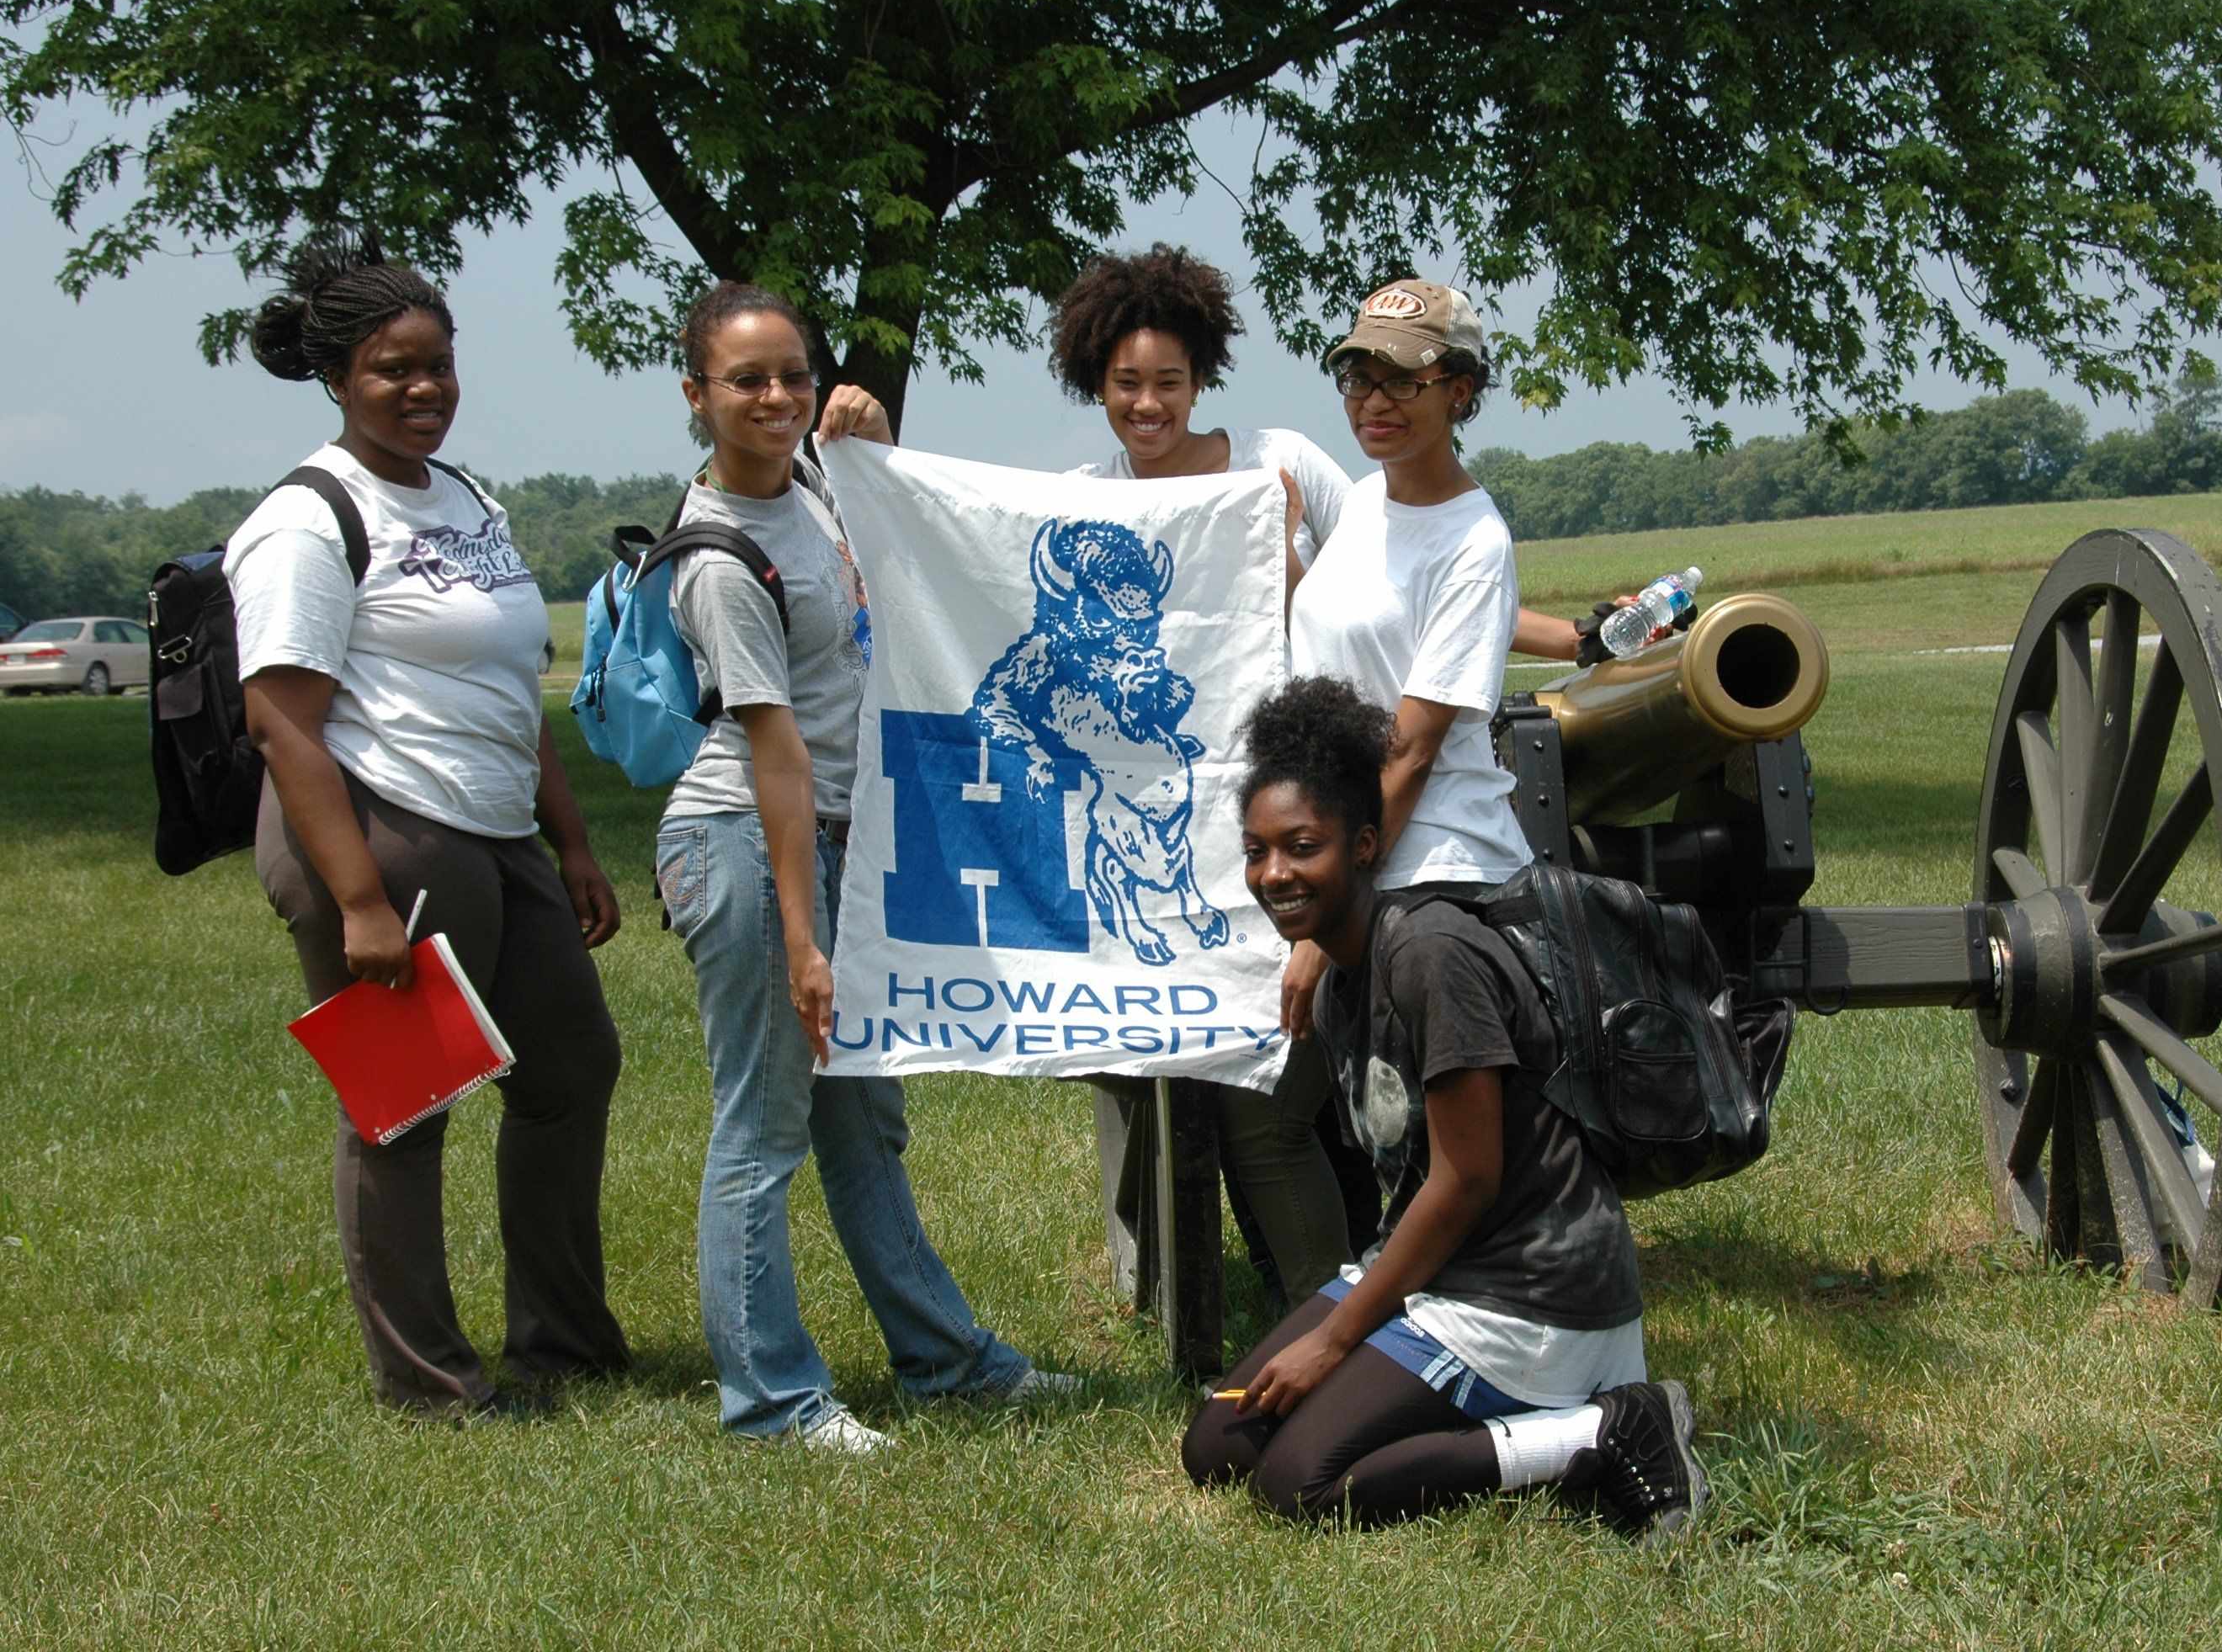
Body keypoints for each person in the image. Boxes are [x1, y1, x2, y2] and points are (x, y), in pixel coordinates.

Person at [656, 282, 1070, 1452]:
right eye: (746, 381)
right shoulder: (721, 559)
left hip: (840, 837)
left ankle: (947, 1362)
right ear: (697, 397)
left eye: (791, 372)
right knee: (766, 1127)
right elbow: (775, 759)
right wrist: (804, 941)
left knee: (863, 1121)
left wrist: (872, 458)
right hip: (746, 842)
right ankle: (776, 1403)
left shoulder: (813, 493)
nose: (777, 397)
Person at [233, 240, 630, 1417]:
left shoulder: (464, 499)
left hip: (500, 830)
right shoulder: (307, 520)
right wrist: (358, 899)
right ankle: (431, 1386)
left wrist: (567, 843)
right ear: (337, 379)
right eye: (392, 370)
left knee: (569, 1068)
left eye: (439, 366)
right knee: (402, 1112)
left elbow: (513, 685)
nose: (424, 390)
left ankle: (564, 1342)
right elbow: (281, 724)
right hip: (384, 831)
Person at [1180, 677, 1708, 1538]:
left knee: (1300, 1482)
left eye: (1300, 845)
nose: (1274, 872)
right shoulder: (1344, 971)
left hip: (1531, 1294)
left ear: (1363, 844)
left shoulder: (1430, 953)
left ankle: (1604, 1426)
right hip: (1442, 1273)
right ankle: (1462, 1408)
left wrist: (1333, 1338)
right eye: (1256, 849)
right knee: (1218, 1442)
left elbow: (1466, 1179)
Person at [1047, 243, 1371, 1309]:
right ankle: (1228, 1297)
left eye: (1169, 383)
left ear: (1203, 378)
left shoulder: (1281, 460)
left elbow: (1375, 596)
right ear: (1094, 382)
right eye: (1125, 384)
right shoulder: (1081, 499)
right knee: (1227, 1093)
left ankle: (1342, 1300)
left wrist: (1279, 556)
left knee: (1280, 1084)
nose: (1147, 405)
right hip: (1162, 830)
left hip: (1296, 816)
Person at [1279, 277, 1540, 1040]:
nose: (1373, 402)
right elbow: (1337, 629)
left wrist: (1325, 914)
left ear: (1459, 392)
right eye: (1358, 378)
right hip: (1347, 851)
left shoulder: (1474, 541)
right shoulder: (1364, 501)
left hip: (1429, 876)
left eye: (1402, 380)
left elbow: (1412, 750)